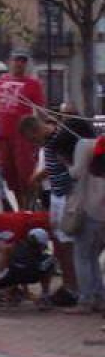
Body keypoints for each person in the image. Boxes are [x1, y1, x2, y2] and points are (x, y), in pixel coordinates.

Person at [20, 110, 90, 306]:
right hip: (57, 194)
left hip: (67, 195)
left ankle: (74, 287)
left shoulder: (57, 138)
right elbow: (53, 165)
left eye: (32, 139)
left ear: (35, 131)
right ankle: (69, 285)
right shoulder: (48, 141)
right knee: (61, 242)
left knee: (68, 243)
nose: (34, 143)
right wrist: (39, 177)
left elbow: (69, 164)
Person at [0, 50, 45, 209]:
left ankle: (30, 206)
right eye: (16, 60)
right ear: (10, 61)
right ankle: (21, 208)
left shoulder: (33, 84)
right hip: (4, 137)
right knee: (9, 174)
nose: (19, 63)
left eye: (23, 60)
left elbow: (40, 109)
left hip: (23, 137)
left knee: (26, 173)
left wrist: (43, 132)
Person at [0, 211, 54, 313]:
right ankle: (11, 292)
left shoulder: (32, 222)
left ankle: (1, 287)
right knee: (47, 261)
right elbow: (7, 251)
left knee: (16, 261)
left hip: (14, 272)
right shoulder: (19, 229)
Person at [66, 133, 105, 314]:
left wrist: (66, 165)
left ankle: (86, 300)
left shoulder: (84, 145)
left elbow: (77, 172)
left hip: (88, 209)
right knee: (93, 256)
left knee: (82, 256)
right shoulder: (99, 146)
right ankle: (99, 298)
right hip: (102, 212)